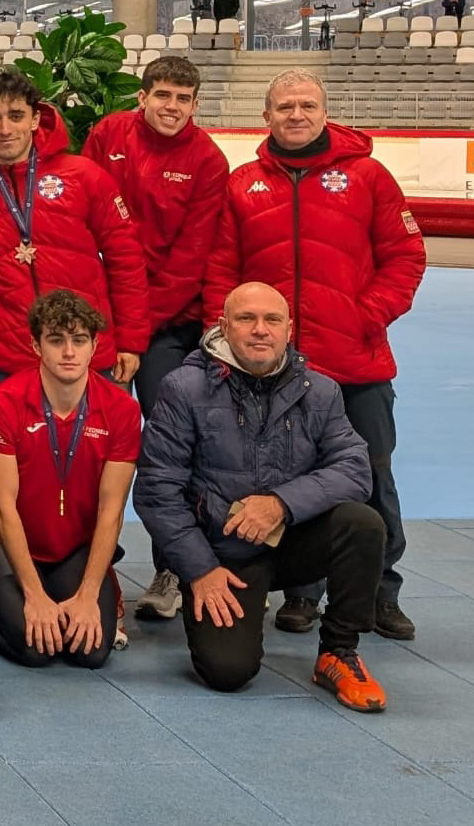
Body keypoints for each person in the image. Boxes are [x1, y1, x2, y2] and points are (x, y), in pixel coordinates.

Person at [205, 70, 425, 640]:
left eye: (306, 105)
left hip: (356, 365)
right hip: (273, 371)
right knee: (288, 476)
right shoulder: (243, 184)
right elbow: (222, 274)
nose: (295, 114)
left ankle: (380, 590)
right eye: (284, 106)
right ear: (267, 116)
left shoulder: (369, 177)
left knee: (373, 473)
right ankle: (303, 592)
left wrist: (365, 315)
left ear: (326, 112)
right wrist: (229, 340)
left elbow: (405, 256)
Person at [134, 282, 389, 711]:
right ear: (223, 326)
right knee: (227, 672)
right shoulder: (183, 389)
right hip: (223, 558)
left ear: (289, 330)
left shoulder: (320, 391)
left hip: (292, 540)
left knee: (362, 524)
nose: (259, 330)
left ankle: (339, 652)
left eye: (272, 320)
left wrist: (281, 504)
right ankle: (216, 599)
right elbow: (157, 491)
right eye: (246, 319)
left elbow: (355, 469)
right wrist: (199, 570)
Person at [0, 69, 147, 522]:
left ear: (36, 118)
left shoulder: (84, 176)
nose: (5, 128)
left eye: (16, 115)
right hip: (2, 353)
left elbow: (126, 259)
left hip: (83, 350)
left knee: (89, 469)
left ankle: (92, 573)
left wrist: (129, 340)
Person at [81, 55, 229, 621]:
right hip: (103, 320)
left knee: (172, 451)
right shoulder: (108, 135)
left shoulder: (207, 161)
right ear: (142, 97)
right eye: (162, 95)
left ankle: (174, 566)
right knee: (92, 445)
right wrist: (108, 325)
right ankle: (94, 569)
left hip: (165, 322)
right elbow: (83, 220)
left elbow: (190, 259)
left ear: (195, 105)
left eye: (183, 99)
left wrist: (134, 336)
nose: (171, 107)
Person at [0, 291, 138, 671]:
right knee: (36, 651)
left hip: (74, 544)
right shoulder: (3, 401)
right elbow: (2, 506)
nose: (68, 352)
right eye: (56, 340)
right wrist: (34, 595)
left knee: (90, 653)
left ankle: (96, 594)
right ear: (36, 344)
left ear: (95, 345)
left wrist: (89, 593)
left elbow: (112, 510)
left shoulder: (122, 409)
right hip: (4, 540)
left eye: (79, 341)